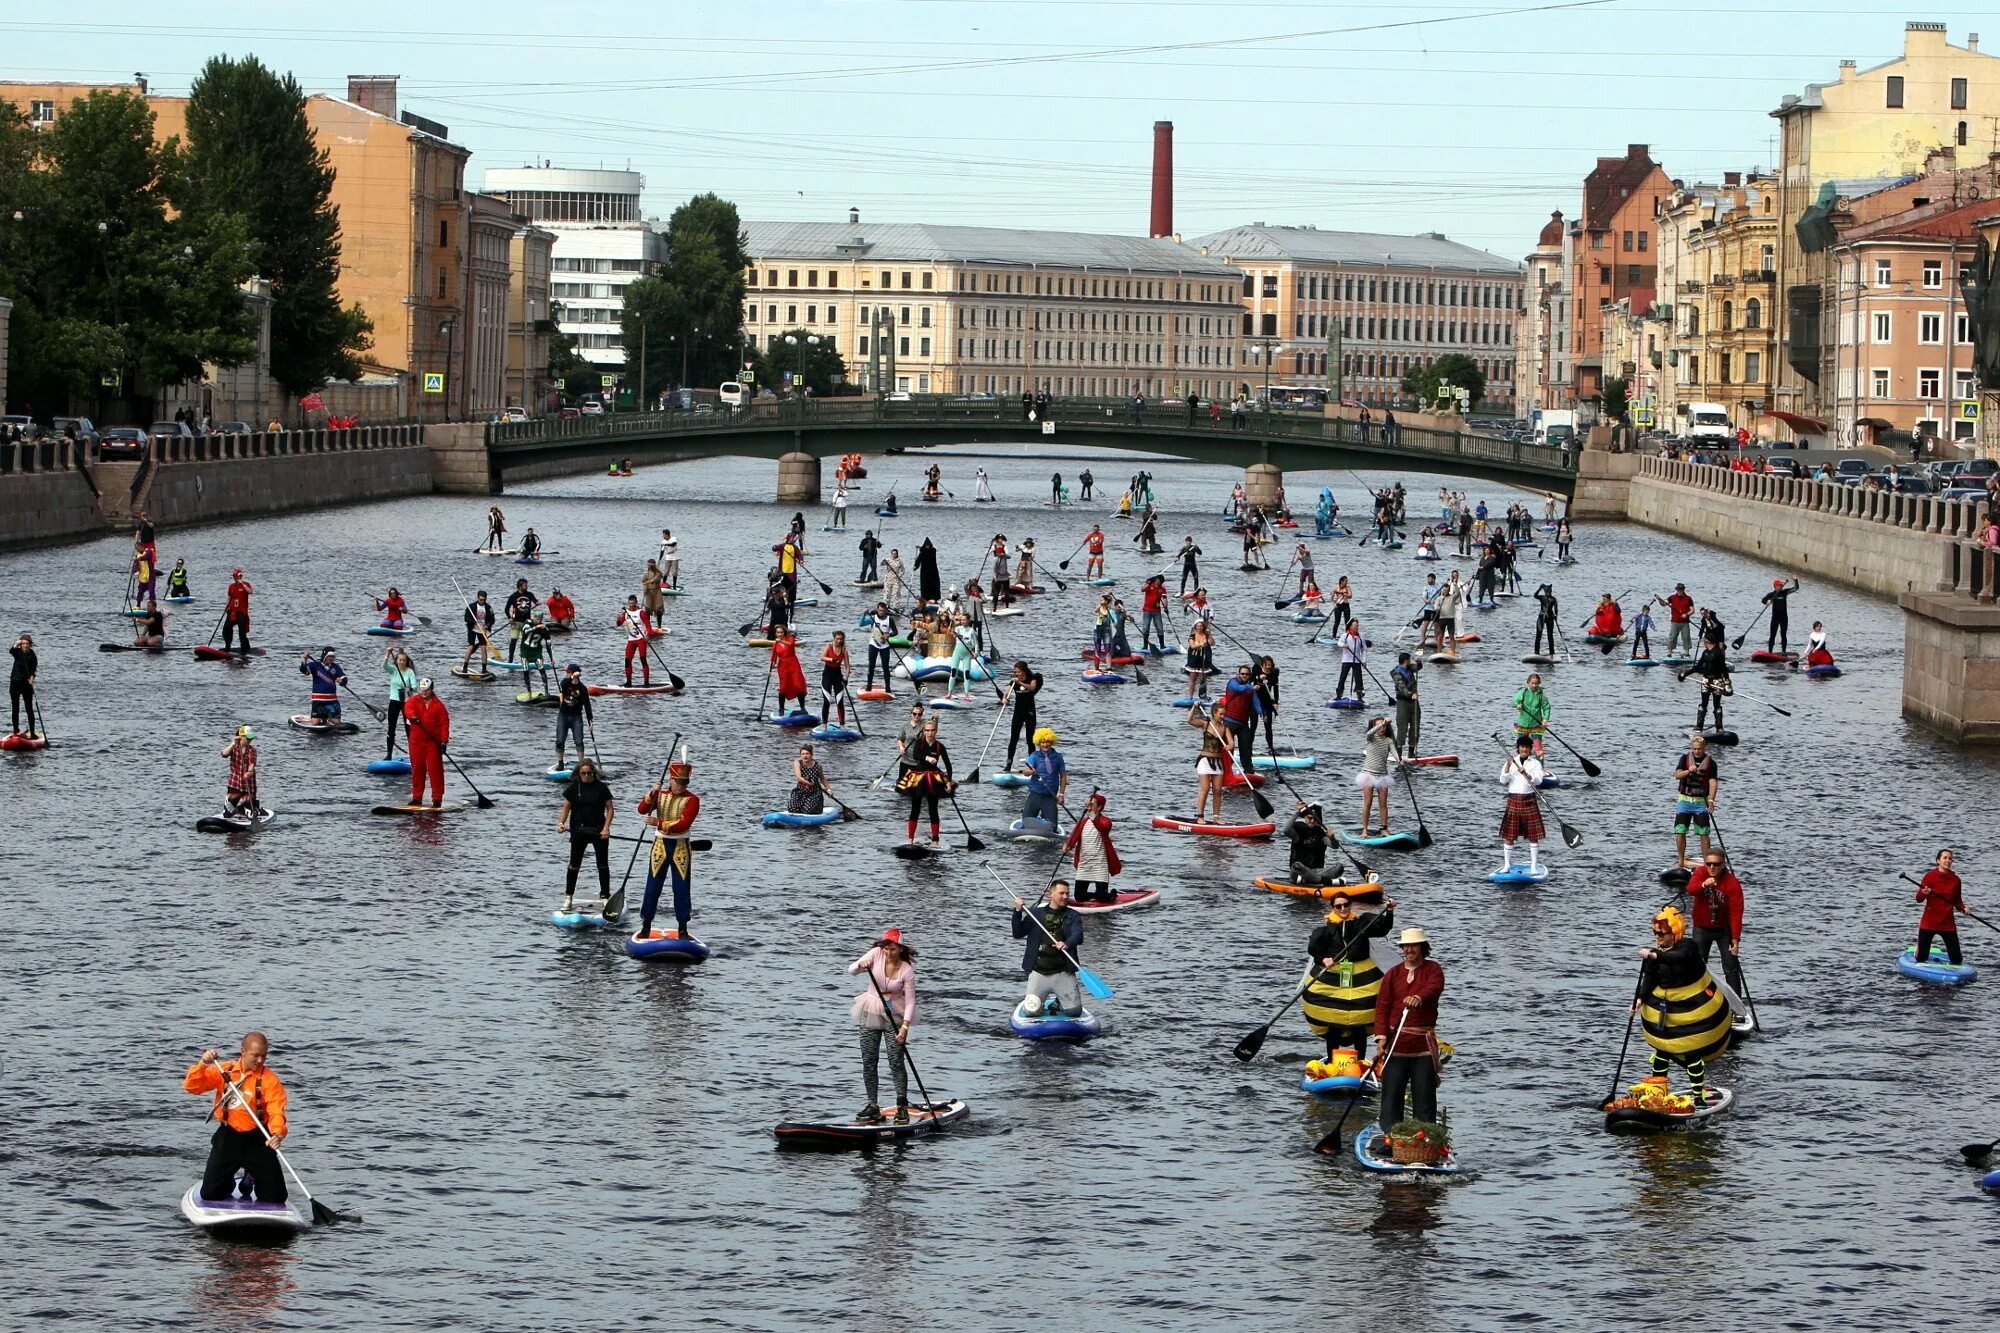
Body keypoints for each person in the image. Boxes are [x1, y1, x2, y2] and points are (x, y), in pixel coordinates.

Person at [1634, 905, 1731, 1102]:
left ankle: (1698, 1096)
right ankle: (1657, 1094)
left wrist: (1655, 955)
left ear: (1674, 933)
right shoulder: (1655, 955)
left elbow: (1678, 957)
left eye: (1662, 933)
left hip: (1693, 1014)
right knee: (1662, 1052)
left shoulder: (1688, 947)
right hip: (1666, 1016)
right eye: (1655, 933)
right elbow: (1649, 978)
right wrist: (1639, 999)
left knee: (1691, 1054)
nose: (1658, 937)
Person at [184, 1035, 289, 1205]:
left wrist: (277, 1134)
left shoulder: (270, 1080)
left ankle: (252, 1175)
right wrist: (203, 1064)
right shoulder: (224, 1070)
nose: (260, 1060)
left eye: (264, 1055)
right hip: (228, 1137)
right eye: (255, 1055)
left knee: (276, 1197)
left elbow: (276, 1111)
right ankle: (229, 1180)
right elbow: (192, 1087)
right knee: (210, 1194)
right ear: (243, 1052)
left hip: (258, 1139)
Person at [1305, 892, 1396, 1057]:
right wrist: (1323, 959)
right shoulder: (1325, 930)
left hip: (1361, 980)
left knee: (1359, 1024)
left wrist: (1389, 911)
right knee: (1333, 1024)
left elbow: (1383, 928)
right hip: (1333, 980)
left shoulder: (1361, 924)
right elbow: (1313, 949)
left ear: (1350, 904)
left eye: (1346, 904)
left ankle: (1360, 1061)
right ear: (1333, 907)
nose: (1343, 908)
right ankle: (1333, 1061)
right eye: (1338, 906)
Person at [1373, 927, 1445, 1135]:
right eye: (1406, 946)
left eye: (1414, 946)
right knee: (1391, 1096)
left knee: (1424, 1096)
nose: (1410, 950)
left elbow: (1434, 988)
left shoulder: (1433, 969)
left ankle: (1425, 1138)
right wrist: (1381, 1039)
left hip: (1422, 1046)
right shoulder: (1393, 974)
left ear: (1422, 947)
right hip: (1396, 1044)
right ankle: (1391, 1137)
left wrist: (1418, 997)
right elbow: (1383, 1007)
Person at [848, 928, 918, 1124]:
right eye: (886, 948)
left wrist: (905, 1027)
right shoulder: (875, 954)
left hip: (895, 1013)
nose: (888, 953)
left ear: (900, 949)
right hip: (870, 1009)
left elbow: (911, 1002)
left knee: (896, 1060)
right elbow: (851, 970)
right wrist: (861, 966)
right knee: (869, 1060)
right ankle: (872, 1106)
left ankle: (902, 1106)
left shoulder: (906, 970)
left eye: (893, 949)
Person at [637, 749, 702, 941]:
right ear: (671, 780)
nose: (681, 786)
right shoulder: (661, 795)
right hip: (660, 845)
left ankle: (683, 928)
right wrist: (651, 793)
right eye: (678, 782)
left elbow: (684, 823)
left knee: (681, 887)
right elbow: (642, 809)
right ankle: (646, 926)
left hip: (680, 846)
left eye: (684, 783)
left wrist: (658, 823)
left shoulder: (693, 800)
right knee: (652, 886)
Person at [1012, 880, 1086, 1015]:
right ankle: (1038, 1004)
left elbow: (1078, 935)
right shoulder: (1035, 913)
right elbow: (1017, 933)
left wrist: (1066, 943)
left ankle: (1058, 1004)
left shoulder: (1073, 915)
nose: (1065, 897)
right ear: (1050, 894)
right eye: (1061, 893)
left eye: (1067, 894)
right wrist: (1017, 911)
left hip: (1063, 971)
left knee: (1074, 1012)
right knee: (1031, 1012)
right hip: (1039, 971)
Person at [556, 757, 615, 912]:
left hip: (598, 831)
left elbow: (610, 809)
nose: (587, 776)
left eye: (590, 773)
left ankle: (605, 897)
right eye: (584, 773)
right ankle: (568, 897)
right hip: (579, 831)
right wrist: (561, 823)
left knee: (602, 864)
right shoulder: (574, 788)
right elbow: (565, 809)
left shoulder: (601, 788)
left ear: (594, 773)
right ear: (579, 774)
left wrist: (606, 828)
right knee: (574, 865)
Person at [1685, 849, 1746, 996]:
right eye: (1709, 864)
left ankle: (1736, 1005)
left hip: (1724, 930)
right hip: (1701, 928)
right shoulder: (1700, 873)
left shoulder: (1732, 883)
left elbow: (1736, 913)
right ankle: (1695, 999)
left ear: (1723, 865)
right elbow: (1691, 889)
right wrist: (1703, 885)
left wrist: (1735, 939)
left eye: (1716, 864)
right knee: (1697, 966)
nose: (1712, 867)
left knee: (1731, 967)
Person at [897, 715, 956, 845]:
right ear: (924, 732)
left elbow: (948, 765)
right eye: (927, 731)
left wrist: (948, 781)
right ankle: (910, 839)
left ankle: (935, 841)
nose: (930, 733)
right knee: (915, 809)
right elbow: (915, 755)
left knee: (933, 809)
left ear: (936, 731)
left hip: (934, 778)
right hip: (918, 777)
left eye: (932, 730)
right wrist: (927, 758)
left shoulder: (940, 746)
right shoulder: (919, 742)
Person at [1063, 791, 1122, 904]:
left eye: (1091, 805)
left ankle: (1109, 895)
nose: (1088, 807)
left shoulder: (1105, 821)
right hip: (1084, 863)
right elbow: (1074, 836)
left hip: (1100, 864)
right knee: (1079, 897)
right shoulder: (1083, 822)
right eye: (1087, 804)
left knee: (1101, 898)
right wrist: (1068, 846)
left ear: (1099, 807)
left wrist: (1093, 817)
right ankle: (1101, 895)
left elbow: (1103, 828)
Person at [1498, 735, 1546, 874]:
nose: (1524, 749)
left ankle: (1533, 867)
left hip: (1529, 801)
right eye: (1521, 747)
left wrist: (1528, 775)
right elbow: (1502, 780)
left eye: (1526, 747)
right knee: (1509, 836)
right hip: (1513, 801)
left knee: (1533, 836)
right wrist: (1507, 766)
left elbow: (1539, 781)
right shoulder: (1512, 762)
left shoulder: (1535, 764)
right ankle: (1507, 865)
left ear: (1530, 749)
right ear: (1518, 748)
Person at [401, 678, 450, 806]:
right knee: (417, 769)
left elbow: (444, 724)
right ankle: (417, 797)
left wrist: (444, 742)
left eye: (426, 690)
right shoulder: (413, 700)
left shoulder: (439, 706)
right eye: (421, 690)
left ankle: (437, 798)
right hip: (416, 742)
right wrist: (413, 717)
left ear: (431, 690)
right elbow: (408, 710)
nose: (423, 693)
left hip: (433, 743)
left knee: (435, 770)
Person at [1672, 734, 1718, 868]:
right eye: (1695, 749)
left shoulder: (1711, 763)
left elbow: (1713, 783)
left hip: (1700, 802)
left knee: (1704, 833)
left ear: (1704, 748)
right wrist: (1687, 771)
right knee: (1680, 831)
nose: (1697, 751)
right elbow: (1677, 775)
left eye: (1700, 749)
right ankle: (1680, 860)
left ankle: (1706, 863)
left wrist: (1711, 800)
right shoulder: (1685, 759)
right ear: (1692, 748)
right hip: (1684, 800)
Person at [1914, 848, 1967, 965]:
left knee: (1957, 960)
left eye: (1950, 858)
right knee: (1921, 959)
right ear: (1938, 860)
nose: (1948, 860)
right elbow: (1919, 899)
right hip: (1929, 923)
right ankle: (1918, 949)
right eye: (1945, 858)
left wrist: (1964, 909)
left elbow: (1957, 901)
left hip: (1947, 924)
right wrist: (1924, 892)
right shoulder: (1929, 877)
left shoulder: (1956, 880)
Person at [1681, 634, 1733, 733]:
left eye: (1704, 641)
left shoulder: (1718, 653)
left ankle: (1719, 727)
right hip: (1706, 681)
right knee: (1703, 703)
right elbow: (1698, 666)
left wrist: (1727, 683)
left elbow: (1723, 669)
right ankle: (1699, 726)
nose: (1703, 643)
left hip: (1717, 682)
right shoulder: (1705, 653)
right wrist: (1686, 673)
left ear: (1708, 641)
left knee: (1716, 705)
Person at [1219, 663, 1264, 777]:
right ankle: (1227, 770)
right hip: (1229, 721)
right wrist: (1252, 687)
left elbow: (1256, 701)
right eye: (1242, 674)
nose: (1244, 676)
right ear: (1239, 674)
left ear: (1249, 676)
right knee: (1230, 747)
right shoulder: (1233, 683)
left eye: (1246, 674)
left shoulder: (1250, 687)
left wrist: (1261, 713)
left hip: (1243, 723)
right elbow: (1238, 689)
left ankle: (1248, 770)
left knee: (1246, 748)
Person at [1356, 715, 1396, 836]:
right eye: (1380, 726)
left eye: (1384, 727)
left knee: (1383, 803)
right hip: (1368, 775)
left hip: (1382, 776)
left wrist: (1399, 759)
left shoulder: (1388, 740)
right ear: (1375, 727)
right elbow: (1369, 732)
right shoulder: (1371, 738)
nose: (1382, 729)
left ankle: (1384, 828)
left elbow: (1394, 752)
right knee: (1368, 802)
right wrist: (1382, 722)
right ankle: (1364, 830)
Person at [1019, 726, 1067, 828]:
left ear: (1051, 742)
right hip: (1035, 795)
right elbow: (1025, 772)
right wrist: (1030, 772)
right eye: (1042, 742)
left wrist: (1061, 794)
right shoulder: (1034, 756)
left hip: (1050, 797)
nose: (1045, 745)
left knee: (1052, 827)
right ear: (1039, 743)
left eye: (1048, 742)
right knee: (1025, 823)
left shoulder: (1058, 757)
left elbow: (1063, 776)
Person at [1285, 801, 1338, 886]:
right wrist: (1298, 812)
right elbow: (1286, 830)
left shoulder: (1321, 833)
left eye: (1315, 819)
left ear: (1319, 820)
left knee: (1339, 867)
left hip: (1316, 872)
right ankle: (1322, 881)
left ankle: (1312, 880)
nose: (1312, 821)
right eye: (1310, 818)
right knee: (1297, 866)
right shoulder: (1298, 829)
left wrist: (1333, 838)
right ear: (1305, 817)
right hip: (1299, 872)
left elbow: (1335, 846)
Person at [554, 662, 593, 772]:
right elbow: (563, 684)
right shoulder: (566, 684)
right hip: (563, 715)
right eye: (567, 673)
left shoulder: (582, 688)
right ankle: (560, 763)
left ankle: (581, 764)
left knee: (579, 741)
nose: (566, 674)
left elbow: (587, 704)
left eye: (569, 672)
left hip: (576, 717)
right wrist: (571, 677)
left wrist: (590, 719)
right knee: (560, 740)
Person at [382, 646, 419, 760]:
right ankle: (389, 754)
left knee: (408, 727)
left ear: (406, 661)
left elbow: (415, 686)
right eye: (400, 660)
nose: (402, 662)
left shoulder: (410, 672)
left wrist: (410, 688)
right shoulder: (393, 669)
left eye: (404, 660)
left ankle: (413, 753)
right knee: (391, 728)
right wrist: (388, 654)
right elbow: (383, 666)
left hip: (407, 703)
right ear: (397, 660)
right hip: (394, 701)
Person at [220, 724, 259, 818]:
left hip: (248, 784)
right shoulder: (234, 747)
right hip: (235, 783)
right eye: (248, 738)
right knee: (228, 812)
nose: (250, 740)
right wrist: (233, 743)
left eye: (251, 738)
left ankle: (251, 808)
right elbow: (224, 754)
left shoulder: (252, 751)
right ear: (241, 737)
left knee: (250, 812)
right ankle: (235, 810)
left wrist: (249, 772)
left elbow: (252, 764)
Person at [299, 648, 346, 724]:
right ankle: (319, 718)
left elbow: (344, 678)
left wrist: (342, 681)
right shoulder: (314, 665)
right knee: (315, 723)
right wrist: (304, 660)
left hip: (332, 700)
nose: (331, 658)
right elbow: (305, 671)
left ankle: (327, 718)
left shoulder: (336, 667)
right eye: (329, 656)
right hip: (318, 701)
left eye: (333, 656)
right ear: (324, 656)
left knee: (337, 723)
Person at [1391, 651, 1422, 760]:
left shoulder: (1409, 668)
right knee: (1402, 728)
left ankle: (1411, 752)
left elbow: (1418, 668)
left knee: (1415, 726)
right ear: (1405, 661)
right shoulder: (1396, 673)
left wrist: (1419, 661)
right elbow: (1401, 687)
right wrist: (1410, 694)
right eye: (1409, 660)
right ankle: (1398, 752)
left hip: (1414, 702)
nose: (1410, 662)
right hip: (1403, 702)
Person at [788, 742, 835, 815]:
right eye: (803, 754)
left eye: (807, 754)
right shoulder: (797, 763)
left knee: (808, 811)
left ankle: (814, 807)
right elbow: (799, 778)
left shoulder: (817, 765)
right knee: (792, 809)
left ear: (811, 755)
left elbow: (822, 778)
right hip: (800, 791)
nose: (805, 756)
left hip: (814, 792)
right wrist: (808, 782)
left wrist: (828, 789)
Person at [617, 595, 653, 688]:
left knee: (643, 659)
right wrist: (619, 617)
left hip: (641, 639)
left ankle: (646, 683)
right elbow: (618, 624)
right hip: (631, 640)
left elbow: (648, 625)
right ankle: (628, 682)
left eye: (633, 604)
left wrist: (648, 635)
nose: (631, 606)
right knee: (627, 660)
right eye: (629, 604)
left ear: (636, 603)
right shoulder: (626, 612)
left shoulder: (641, 612)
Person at [1512, 672, 1551, 757]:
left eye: (1536, 683)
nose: (1534, 685)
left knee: (1538, 749)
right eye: (1532, 683)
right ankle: (1521, 764)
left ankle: (1539, 767)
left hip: (1536, 725)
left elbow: (1546, 708)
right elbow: (1514, 701)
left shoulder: (1541, 696)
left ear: (1539, 683)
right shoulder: (1523, 692)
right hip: (1523, 724)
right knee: (1522, 748)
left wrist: (1545, 719)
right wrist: (1517, 705)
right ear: (1528, 683)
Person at [820, 631, 852, 728]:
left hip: (838, 676)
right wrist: (831, 659)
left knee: (840, 701)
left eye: (841, 639)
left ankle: (842, 725)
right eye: (837, 639)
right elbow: (822, 657)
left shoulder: (844, 651)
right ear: (834, 638)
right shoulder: (828, 646)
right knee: (827, 701)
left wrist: (846, 678)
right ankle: (824, 724)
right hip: (827, 675)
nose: (839, 641)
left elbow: (847, 667)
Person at [461, 590, 497, 675]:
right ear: (477, 598)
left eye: (484, 600)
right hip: (473, 629)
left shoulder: (488, 608)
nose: (482, 601)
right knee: (471, 646)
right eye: (481, 600)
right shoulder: (471, 607)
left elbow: (492, 619)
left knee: (483, 648)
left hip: (482, 630)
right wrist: (473, 622)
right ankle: (465, 667)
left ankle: (484, 669)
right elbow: (466, 618)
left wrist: (487, 626)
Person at [1761, 577, 1801, 653]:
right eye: (1779, 585)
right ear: (1775, 586)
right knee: (1772, 635)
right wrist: (1768, 602)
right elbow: (1763, 600)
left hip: (1784, 617)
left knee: (1783, 634)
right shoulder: (1771, 594)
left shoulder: (1784, 592)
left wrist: (1795, 580)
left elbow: (1796, 588)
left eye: (1781, 585)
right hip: (1775, 617)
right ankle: (1770, 652)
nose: (1781, 587)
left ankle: (1783, 652)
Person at [7, 633, 35, 738]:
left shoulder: (32, 655)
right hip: (15, 683)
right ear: (21, 645)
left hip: (26, 685)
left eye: (27, 643)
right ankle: (16, 731)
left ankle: (32, 733)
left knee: (29, 709)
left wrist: (32, 678)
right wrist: (16, 643)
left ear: (30, 644)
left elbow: (33, 670)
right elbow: (11, 651)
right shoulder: (17, 652)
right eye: (23, 643)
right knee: (15, 708)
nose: (25, 645)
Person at [503, 579, 537, 662]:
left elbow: (534, 600)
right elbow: (506, 609)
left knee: (526, 641)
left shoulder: (529, 594)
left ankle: (527, 658)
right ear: (520, 586)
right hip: (516, 622)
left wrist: (537, 602)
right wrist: (509, 618)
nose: (527, 586)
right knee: (514, 640)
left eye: (526, 585)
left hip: (527, 622)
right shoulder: (513, 596)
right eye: (525, 585)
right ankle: (510, 660)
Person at [222, 569, 254, 653]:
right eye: (234, 577)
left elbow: (250, 591)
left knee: (242, 632)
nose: (235, 578)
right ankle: (227, 646)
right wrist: (226, 608)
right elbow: (229, 597)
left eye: (236, 576)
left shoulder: (245, 584)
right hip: (232, 611)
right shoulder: (231, 586)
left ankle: (245, 647)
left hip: (241, 612)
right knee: (226, 630)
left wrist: (242, 584)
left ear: (240, 576)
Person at [1334, 619, 1367, 703]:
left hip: (1357, 661)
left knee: (1358, 678)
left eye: (1357, 626)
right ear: (1350, 626)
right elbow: (1339, 643)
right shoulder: (1345, 635)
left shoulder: (1360, 637)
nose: (1357, 627)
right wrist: (1343, 645)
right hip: (1346, 660)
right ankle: (1339, 695)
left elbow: (1364, 649)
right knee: (1343, 677)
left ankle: (1359, 695)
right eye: (1355, 626)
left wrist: (1364, 660)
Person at [1662, 582, 1695, 658]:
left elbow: (1692, 610)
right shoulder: (1672, 597)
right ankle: (1669, 653)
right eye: (1678, 590)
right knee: (1672, 637)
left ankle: (1687, 653)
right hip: (1675, 622)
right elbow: (1664, 604)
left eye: (1680, 590)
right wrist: (1661, 601)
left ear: (1683, 590)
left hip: (1685, 622)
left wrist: (1686, 614)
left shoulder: (1688, 599)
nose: (1679, 591)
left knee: (1686, 637)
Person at [914, 538, 942, 606]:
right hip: (924, 572)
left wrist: (921, 547)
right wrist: (915, 566)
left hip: (933, 572)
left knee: (934, 585)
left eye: (928, 546)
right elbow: (918, 560)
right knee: (925, 586)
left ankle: (934, 599)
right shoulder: (922, 553)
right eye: (926, 546)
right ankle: (925, 599)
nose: (927, 547)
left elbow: (928, 550)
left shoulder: (933, 551)